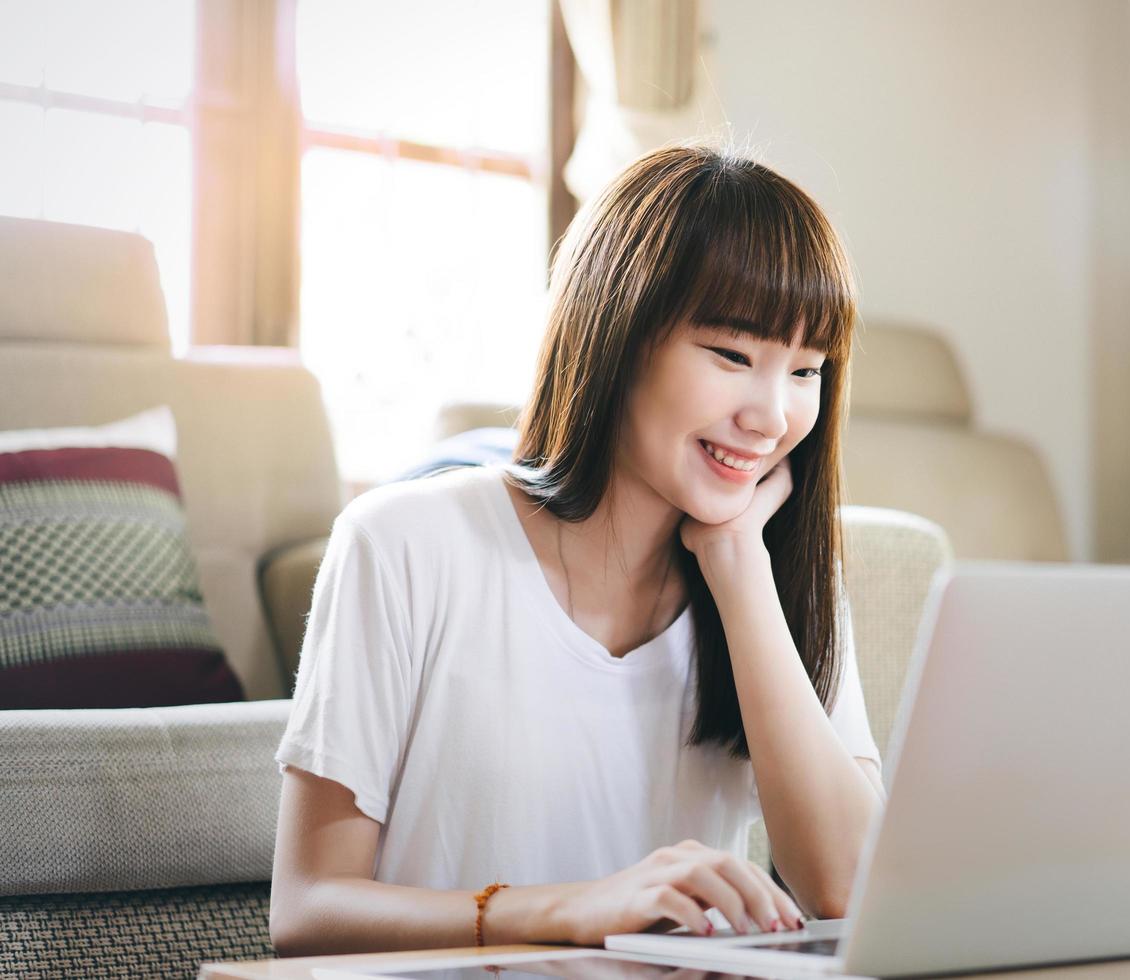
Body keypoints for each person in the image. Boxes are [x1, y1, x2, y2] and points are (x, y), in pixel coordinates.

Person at [269, 144, 886, 957]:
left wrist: (739, 572)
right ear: (618, 336)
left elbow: (849, 890)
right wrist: (566, 911)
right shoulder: (403, 545)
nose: (772, 417)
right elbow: (307, 913)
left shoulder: (771, 580)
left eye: (805, 371)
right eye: (733, 355)